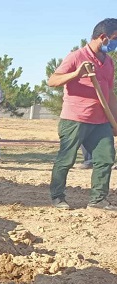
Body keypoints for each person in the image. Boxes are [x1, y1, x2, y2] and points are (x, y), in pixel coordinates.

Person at [48, 18, 117, 211]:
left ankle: (98, 200)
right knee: (66, 160)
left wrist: (115, 121)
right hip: (74, 119)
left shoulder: (109, 62)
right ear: (103, 37)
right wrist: (76, 74)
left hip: (101, 120)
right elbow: (52, 81)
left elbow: (110, 93)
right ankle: (57, 196)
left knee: (105, 158)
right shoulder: (76, 56)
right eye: (115, 39)